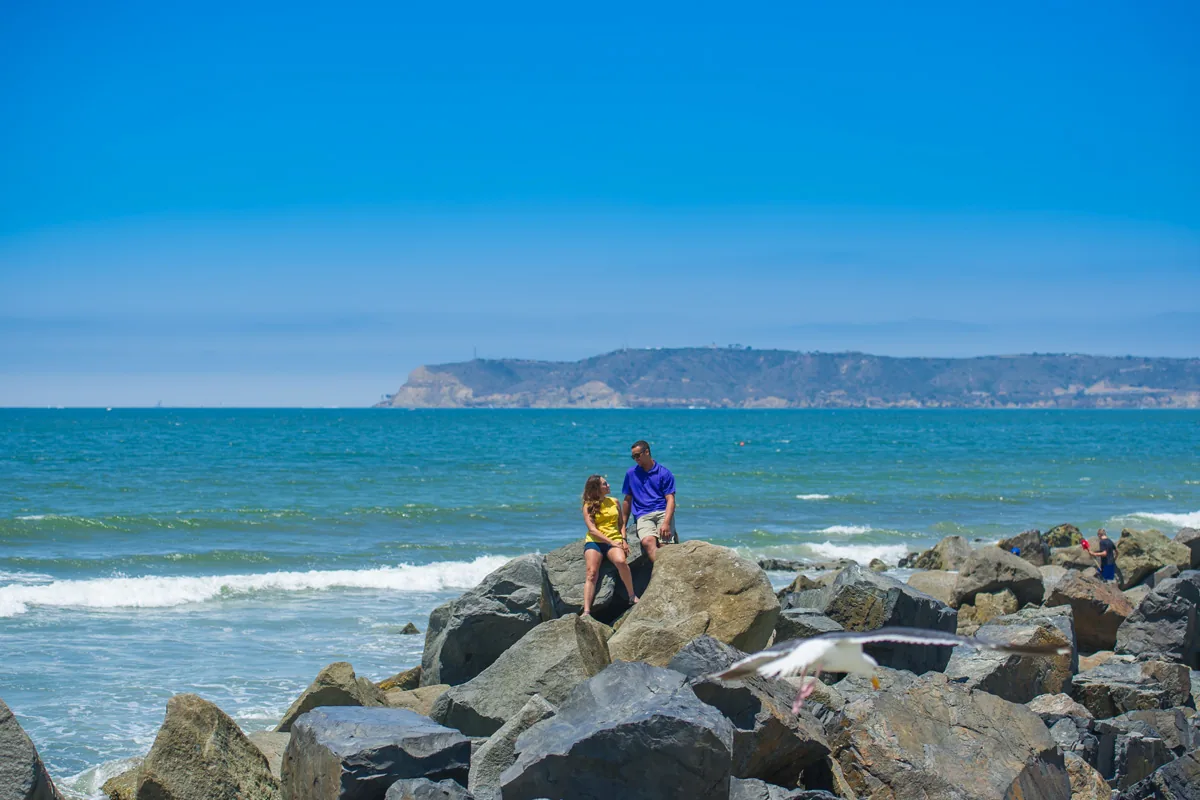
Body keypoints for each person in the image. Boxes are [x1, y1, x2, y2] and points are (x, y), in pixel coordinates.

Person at [581, 474, 638, 616]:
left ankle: (632, 596)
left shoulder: (614, 502)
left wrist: (623, 540)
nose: (608, 486)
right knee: (591, 573)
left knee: (621, 561)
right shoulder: (588, 506)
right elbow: (592, 529)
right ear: (597, 488)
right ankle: (587, 610)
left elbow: (621, 524)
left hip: (615, 540)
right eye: (605, 484)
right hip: (595, 542)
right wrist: (611, 542)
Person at [621, 440, 677, 563]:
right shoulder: (631, 474)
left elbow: (670, 499)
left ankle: (662, 574)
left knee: (665, 545)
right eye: (633, 456)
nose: (635, 459)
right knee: (647, 542)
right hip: (643, 514)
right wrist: (622, 525)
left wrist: (666, 523)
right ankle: (663, 572)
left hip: (663, 512)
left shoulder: (664, 473)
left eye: (637, 455)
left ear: (647, 452)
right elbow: (627, 500)